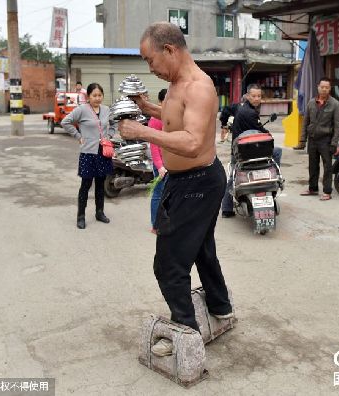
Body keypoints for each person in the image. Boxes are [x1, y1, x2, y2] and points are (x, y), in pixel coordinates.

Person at [118, 22, 233, 357]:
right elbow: (173, 117)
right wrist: (147, 108)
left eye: (150, 60)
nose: (150, 68)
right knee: (200, 248)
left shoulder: (198, 86)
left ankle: (186, 334)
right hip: (194, 180)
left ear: (169, 50)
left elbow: (194, 142)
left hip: (197, 182)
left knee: (169, 265)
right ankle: (221, 306)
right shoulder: (177, 85)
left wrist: (142, 133)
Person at [221, 84, 282, 218]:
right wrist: (269, 135)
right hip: (246, 151)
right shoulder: (251, 113)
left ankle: (226, 208)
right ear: (248, 96)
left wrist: (223, 124)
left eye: (259, 96)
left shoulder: (238, 107)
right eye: (254, 96)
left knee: (233, 175)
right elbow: (260, 131)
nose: (256, 98)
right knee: (277, 152)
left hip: (239, 149)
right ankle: (275, 180)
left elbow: (225, 110)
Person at [61, 83, 114, 229]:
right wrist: (78, 136)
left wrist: (109, 136)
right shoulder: (82, 110)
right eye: (94, 95)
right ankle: (81, 216)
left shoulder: (106, 110)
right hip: (88, 153)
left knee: (100, 184)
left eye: (100, 95)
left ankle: (99, 212)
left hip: (103, 153)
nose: (97, 98)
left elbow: (114, 123)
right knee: (85, 185)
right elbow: (65, 122)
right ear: (88, 96)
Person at [295, 77, 339, 201]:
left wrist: (334, 143)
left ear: (330, 88)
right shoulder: (311, 102)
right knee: (313, 165)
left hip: (326, 140)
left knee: (327, 166)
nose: (324, 89)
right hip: (312, 139)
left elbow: (338, 126)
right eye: (322, 87)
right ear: (318, 87)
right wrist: (302, 140)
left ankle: (327, 191)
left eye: (327, 87)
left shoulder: (335, 104)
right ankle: (313, 188)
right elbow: (305, 122)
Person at [149, 88, 169, 233]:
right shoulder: (155, 119)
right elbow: (154, 145)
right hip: (161, 165)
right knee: (158, 194)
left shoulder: (173, 117)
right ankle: (156, 225)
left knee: (170, 194)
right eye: (166, 101)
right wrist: (160, 166)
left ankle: (167, 222)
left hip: (172, 163)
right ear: (160, 102)